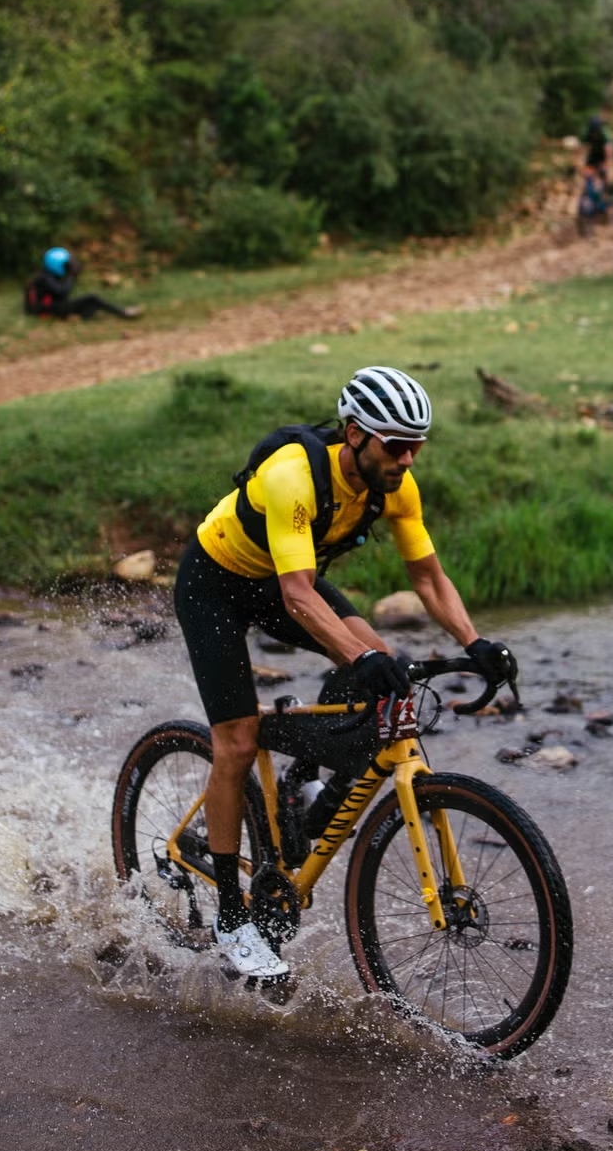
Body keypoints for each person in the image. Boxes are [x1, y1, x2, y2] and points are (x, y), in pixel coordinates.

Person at [171, 366, 516, 980]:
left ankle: (300, 784)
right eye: (396, 445)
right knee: (238, 742)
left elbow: (429, 578)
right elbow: (299, 595)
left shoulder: (395, 486)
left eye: (417, 446)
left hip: (286, 581)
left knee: (384, 665)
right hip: (217, 587)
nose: (407, 459)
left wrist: (475, 641)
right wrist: (359, 658)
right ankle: (231, 918)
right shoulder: (293, 477)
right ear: (355, 434)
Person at [24, 248, 141, 321]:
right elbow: (62, 293)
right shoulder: (45, 279)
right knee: (92, 298)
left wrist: (70, 276)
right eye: (66, 265)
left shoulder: (44, 276)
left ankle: (77, 318)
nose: (67, 267)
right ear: (56, 264)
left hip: (49, 308)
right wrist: (72, 276)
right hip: (46, 311)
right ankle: (123, 313)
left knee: (92, 305)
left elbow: (60, 296)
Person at [582, 112, 613, 193]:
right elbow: (581, 148)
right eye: (593, 131)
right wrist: (574, 164)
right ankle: (587, 191)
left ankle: (609, 190)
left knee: (605, 173)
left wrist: (607, 163)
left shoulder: (604, 133)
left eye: (596, 131)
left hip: (603, 154)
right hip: (593, 154)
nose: (594, 133)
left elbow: (609, 149)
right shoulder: (588, 133)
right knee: (587, 173)